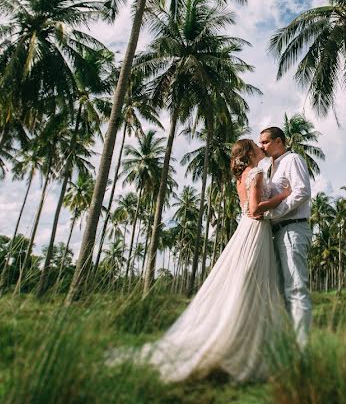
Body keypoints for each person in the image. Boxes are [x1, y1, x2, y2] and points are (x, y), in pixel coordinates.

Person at [106, 139, 290, 382]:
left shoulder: (243, 176)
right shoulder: (255, 173)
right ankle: (242, 346)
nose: (260, 147)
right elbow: (255, 210)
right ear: (249, 153)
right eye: (256, 146)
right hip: (255, 230)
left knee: (245, 285)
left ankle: (244, 342)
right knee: (252, 285)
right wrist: (284, 196)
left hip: (248, 230)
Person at [251, 126, 312, 349]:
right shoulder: (270, 167)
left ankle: (301, 348)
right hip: (277, 232)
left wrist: (274, 213)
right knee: (281, 290)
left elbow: (302, 191)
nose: (261, 146)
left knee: (296, 289)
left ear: (279, 141)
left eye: (265, 142)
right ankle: (288, 343)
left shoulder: (292, 159)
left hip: (293, 228)